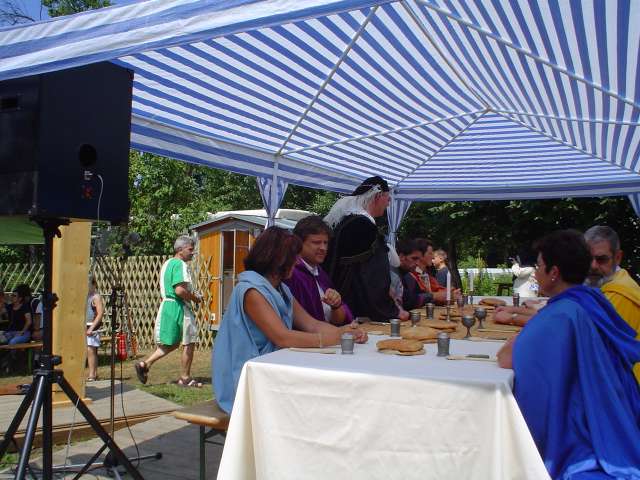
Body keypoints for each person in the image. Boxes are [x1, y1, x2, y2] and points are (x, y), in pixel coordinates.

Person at [497, 230, 640, 479]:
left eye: (539, 266)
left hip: (581, 427)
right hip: (611, 412)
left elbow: (506, 358)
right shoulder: (592, 299)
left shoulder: (561, 314)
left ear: (554, 272)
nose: (536, 272)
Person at [213, 227, 368, 413]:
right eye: (293, 258)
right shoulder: (251, 291)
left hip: (270, 368)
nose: (296, 262)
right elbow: (283, 337)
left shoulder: (281, 289)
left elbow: (311, 324)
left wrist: (347, 333)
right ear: (278, 259)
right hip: (246, 379)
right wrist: (337, 337)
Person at [324, 176, 408, 321]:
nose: (388, 203)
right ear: (377, 196)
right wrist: (391, 311)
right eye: (387, 197)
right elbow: (372, 277)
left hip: (337, 301)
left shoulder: (348, 220)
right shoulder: (363, 227)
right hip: (353, 308)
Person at [135, 235, 203, 388]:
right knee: (189, 341)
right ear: (180, 250)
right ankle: (185, 378)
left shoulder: (167, 263)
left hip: (167, 305)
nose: (192, 252)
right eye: (190, 249)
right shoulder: (180, 264)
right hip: (179, 306)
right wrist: (195, 298)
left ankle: (144, 364)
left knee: (171, 343)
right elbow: (179, 290)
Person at [584, 225, 640, 381]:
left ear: (618, 257)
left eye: (601, 259)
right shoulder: (605, 286)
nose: (593, 266)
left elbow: (586, 343)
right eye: (587, 258)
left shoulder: (620, 294)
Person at [284, 215, 352, 325]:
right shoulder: (291, 275)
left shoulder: (320, 274)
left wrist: (336, 305)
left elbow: (339, 320)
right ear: (299, 243)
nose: (323, 248)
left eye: (325, 243)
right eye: (316, 242)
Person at [85, 276, 104, 382]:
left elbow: (100, 314)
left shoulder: (96, 297)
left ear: (93, 284)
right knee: (89, 350)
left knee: (91, 350)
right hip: (85, 325)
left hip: (93, 326)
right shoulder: (85, 296)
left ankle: (92, 374)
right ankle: (94, 373)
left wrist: (91, 328)